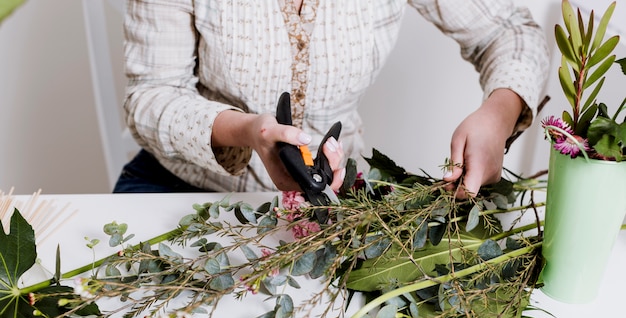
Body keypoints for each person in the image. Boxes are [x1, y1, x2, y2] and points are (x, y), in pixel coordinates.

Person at [115, 0, 549, 199]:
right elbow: (150, 94)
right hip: (183, 187)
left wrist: (500, 113)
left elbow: (507, 30)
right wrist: (247, 130)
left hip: (337, 197)